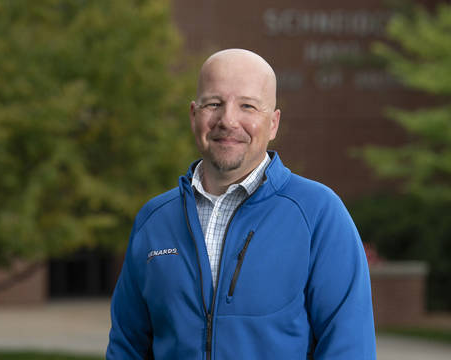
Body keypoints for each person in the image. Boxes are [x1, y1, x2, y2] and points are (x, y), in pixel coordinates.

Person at [106, 49, 376, 359]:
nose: (228, 120)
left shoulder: (318, 215)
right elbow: (126, 348)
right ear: (194, 115)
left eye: (247, 105)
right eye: (214, 104)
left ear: (273, 123)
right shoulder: (154, 220)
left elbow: (349, 347)